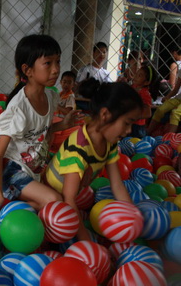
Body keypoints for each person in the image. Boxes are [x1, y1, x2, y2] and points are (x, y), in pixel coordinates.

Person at [0, 35, 79, 228]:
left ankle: (15, 206)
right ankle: (6, 208)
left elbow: (42, 131)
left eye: (58, 62)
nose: (56, 69)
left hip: (32, 168)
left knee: (58, 199)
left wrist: (64, 124)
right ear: (27, 70)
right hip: (10, 169)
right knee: (55, 201)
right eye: (48, 63)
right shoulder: (18, 109)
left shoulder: (50, 95)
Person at [44, 82, 142, 241]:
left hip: (75, 194)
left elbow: (117, 185)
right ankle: (32, 205)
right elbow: (68, 200)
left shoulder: (109, 142)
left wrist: (132, 218)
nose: (129, 131)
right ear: (105, 115)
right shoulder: (79, 148)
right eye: (127, 122)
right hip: (53, 197)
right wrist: (87, 241)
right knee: (61, 216)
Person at [147, 48, 181, 134]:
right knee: (161, 109)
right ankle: (148, 131)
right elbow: (176, 88)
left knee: (175, 113)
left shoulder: (175, 65)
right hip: (178, 97)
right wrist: (168, 96)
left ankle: (170, 138)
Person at [129, 65, 156, 138]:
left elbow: (148, 113)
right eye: (137, 74)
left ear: (146, 82)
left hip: (137, 127)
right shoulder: (133, 87)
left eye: (140, 75)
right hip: (129, 123)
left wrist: (134, 117)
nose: (136, 76)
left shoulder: (144, 93)